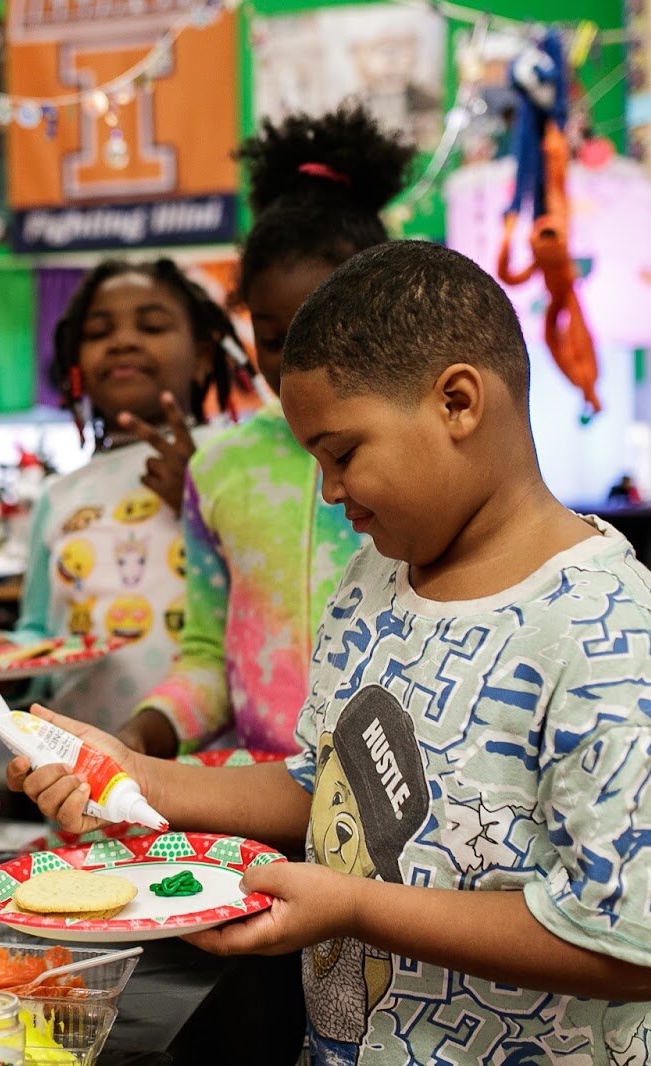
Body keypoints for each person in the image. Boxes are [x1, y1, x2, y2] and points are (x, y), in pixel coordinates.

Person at [10, 242, 651, 1064]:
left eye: (343, 453)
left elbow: (634, 947)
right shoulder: (375, 579)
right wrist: (139, 777)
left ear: (458, 402)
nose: (329, 491)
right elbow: (320, 783)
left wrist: (352, 907)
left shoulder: (615, 639)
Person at [119, 105, 414, 758]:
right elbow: (206, 658)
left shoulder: (422, 463)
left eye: (328, 324)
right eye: (276, 337)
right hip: (258, 800)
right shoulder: (221, 470)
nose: (303, 358)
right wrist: (141, 735)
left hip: (400, 813)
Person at [0, 259, 249, 730]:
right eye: (98, 333)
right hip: (81, 768)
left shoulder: (236, 459)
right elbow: (41, 631)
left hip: (216, 766)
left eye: (152, 325)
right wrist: (11, 659)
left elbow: (278, 600)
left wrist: (200, 505)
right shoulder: (60, 496)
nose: (123, 340)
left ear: (201, 358)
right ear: (77, 369)